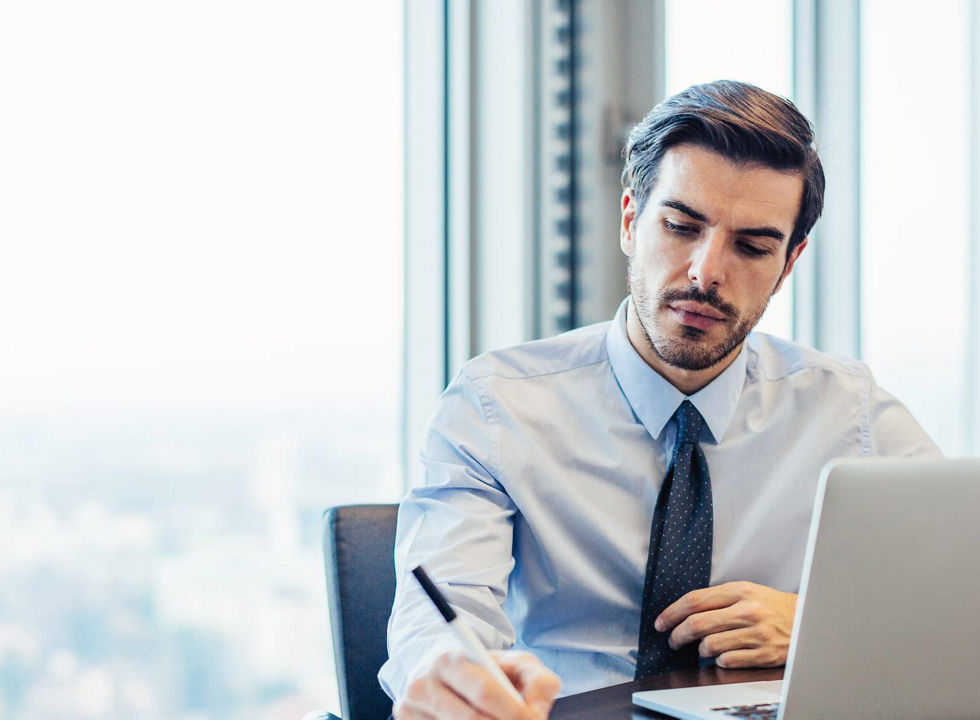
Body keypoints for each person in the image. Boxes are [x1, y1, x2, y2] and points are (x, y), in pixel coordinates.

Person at [380, 80, 939, 719]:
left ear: (789, 264)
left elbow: (968, 586)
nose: (705, 273)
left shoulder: (852, 414)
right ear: (629, 221)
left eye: (753, 247)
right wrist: (453, 679)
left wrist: (821, 621)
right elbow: (440, 617)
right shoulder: (494, 406)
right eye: (680, 226)